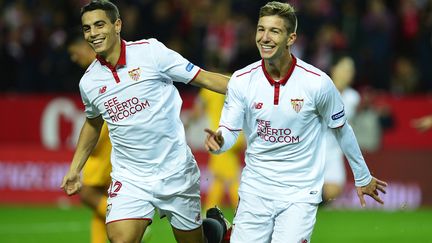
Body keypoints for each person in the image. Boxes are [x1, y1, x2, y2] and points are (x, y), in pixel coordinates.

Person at [204, 2, 388, 242]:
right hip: (255, 190)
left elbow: (342, 129)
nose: (265, 38)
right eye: (261, 29)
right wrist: (220, 141)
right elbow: (229, 129)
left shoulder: (317, 83)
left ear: (291, 38)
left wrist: (362, 176)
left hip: (300, 194)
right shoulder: (241, 80)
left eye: (274, 31)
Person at [60, 1, 230, 243]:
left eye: (99, 25)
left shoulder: (151, 52)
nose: (93, 33)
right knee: (121, 239)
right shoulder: (89, 82)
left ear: (117, 25)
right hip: (130, 178)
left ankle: (216, 229)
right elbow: (93, 122)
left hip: (175, 171)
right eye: (87, 28)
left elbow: (202, 77)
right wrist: (75, 168)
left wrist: (255, 91)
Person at [66, 29, 113, 243]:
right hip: (106, 132)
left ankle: (125, 220)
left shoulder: (100, 67)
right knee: (101, 197)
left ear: (87, 48)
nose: (75, 59)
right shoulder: (91, 75)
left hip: (106, 135)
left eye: (76, 53)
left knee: (87, 193)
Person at [187, 88, 244, 210]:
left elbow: (197, 112)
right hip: (238, 135)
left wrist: (187, 122)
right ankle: (209, 210)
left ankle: (241, 211)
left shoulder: (209, 88)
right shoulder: (236, 83)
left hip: (220, 137)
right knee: (219, 178)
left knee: (231, 178)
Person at [322, 56, 361, 203]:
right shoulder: (321, 90)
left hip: (333, 150)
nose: (347, 73)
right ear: (334, 69)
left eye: (350, 70)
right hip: (313, 148)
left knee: (334, 190)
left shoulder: (353, 97)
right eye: (344, 69)